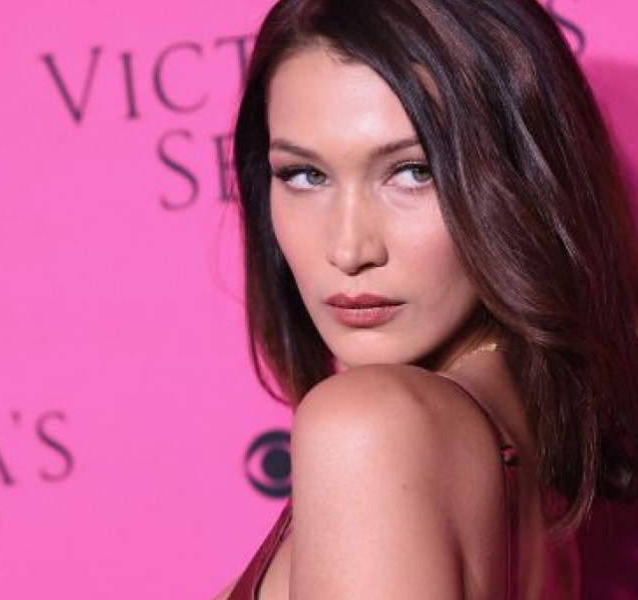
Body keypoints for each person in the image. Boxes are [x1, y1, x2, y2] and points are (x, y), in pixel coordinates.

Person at [212, 0, 638, 597]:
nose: (349, 248)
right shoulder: (528, 457)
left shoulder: (371, 426)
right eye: (305, 174)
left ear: (520, 180)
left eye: (414, 171)